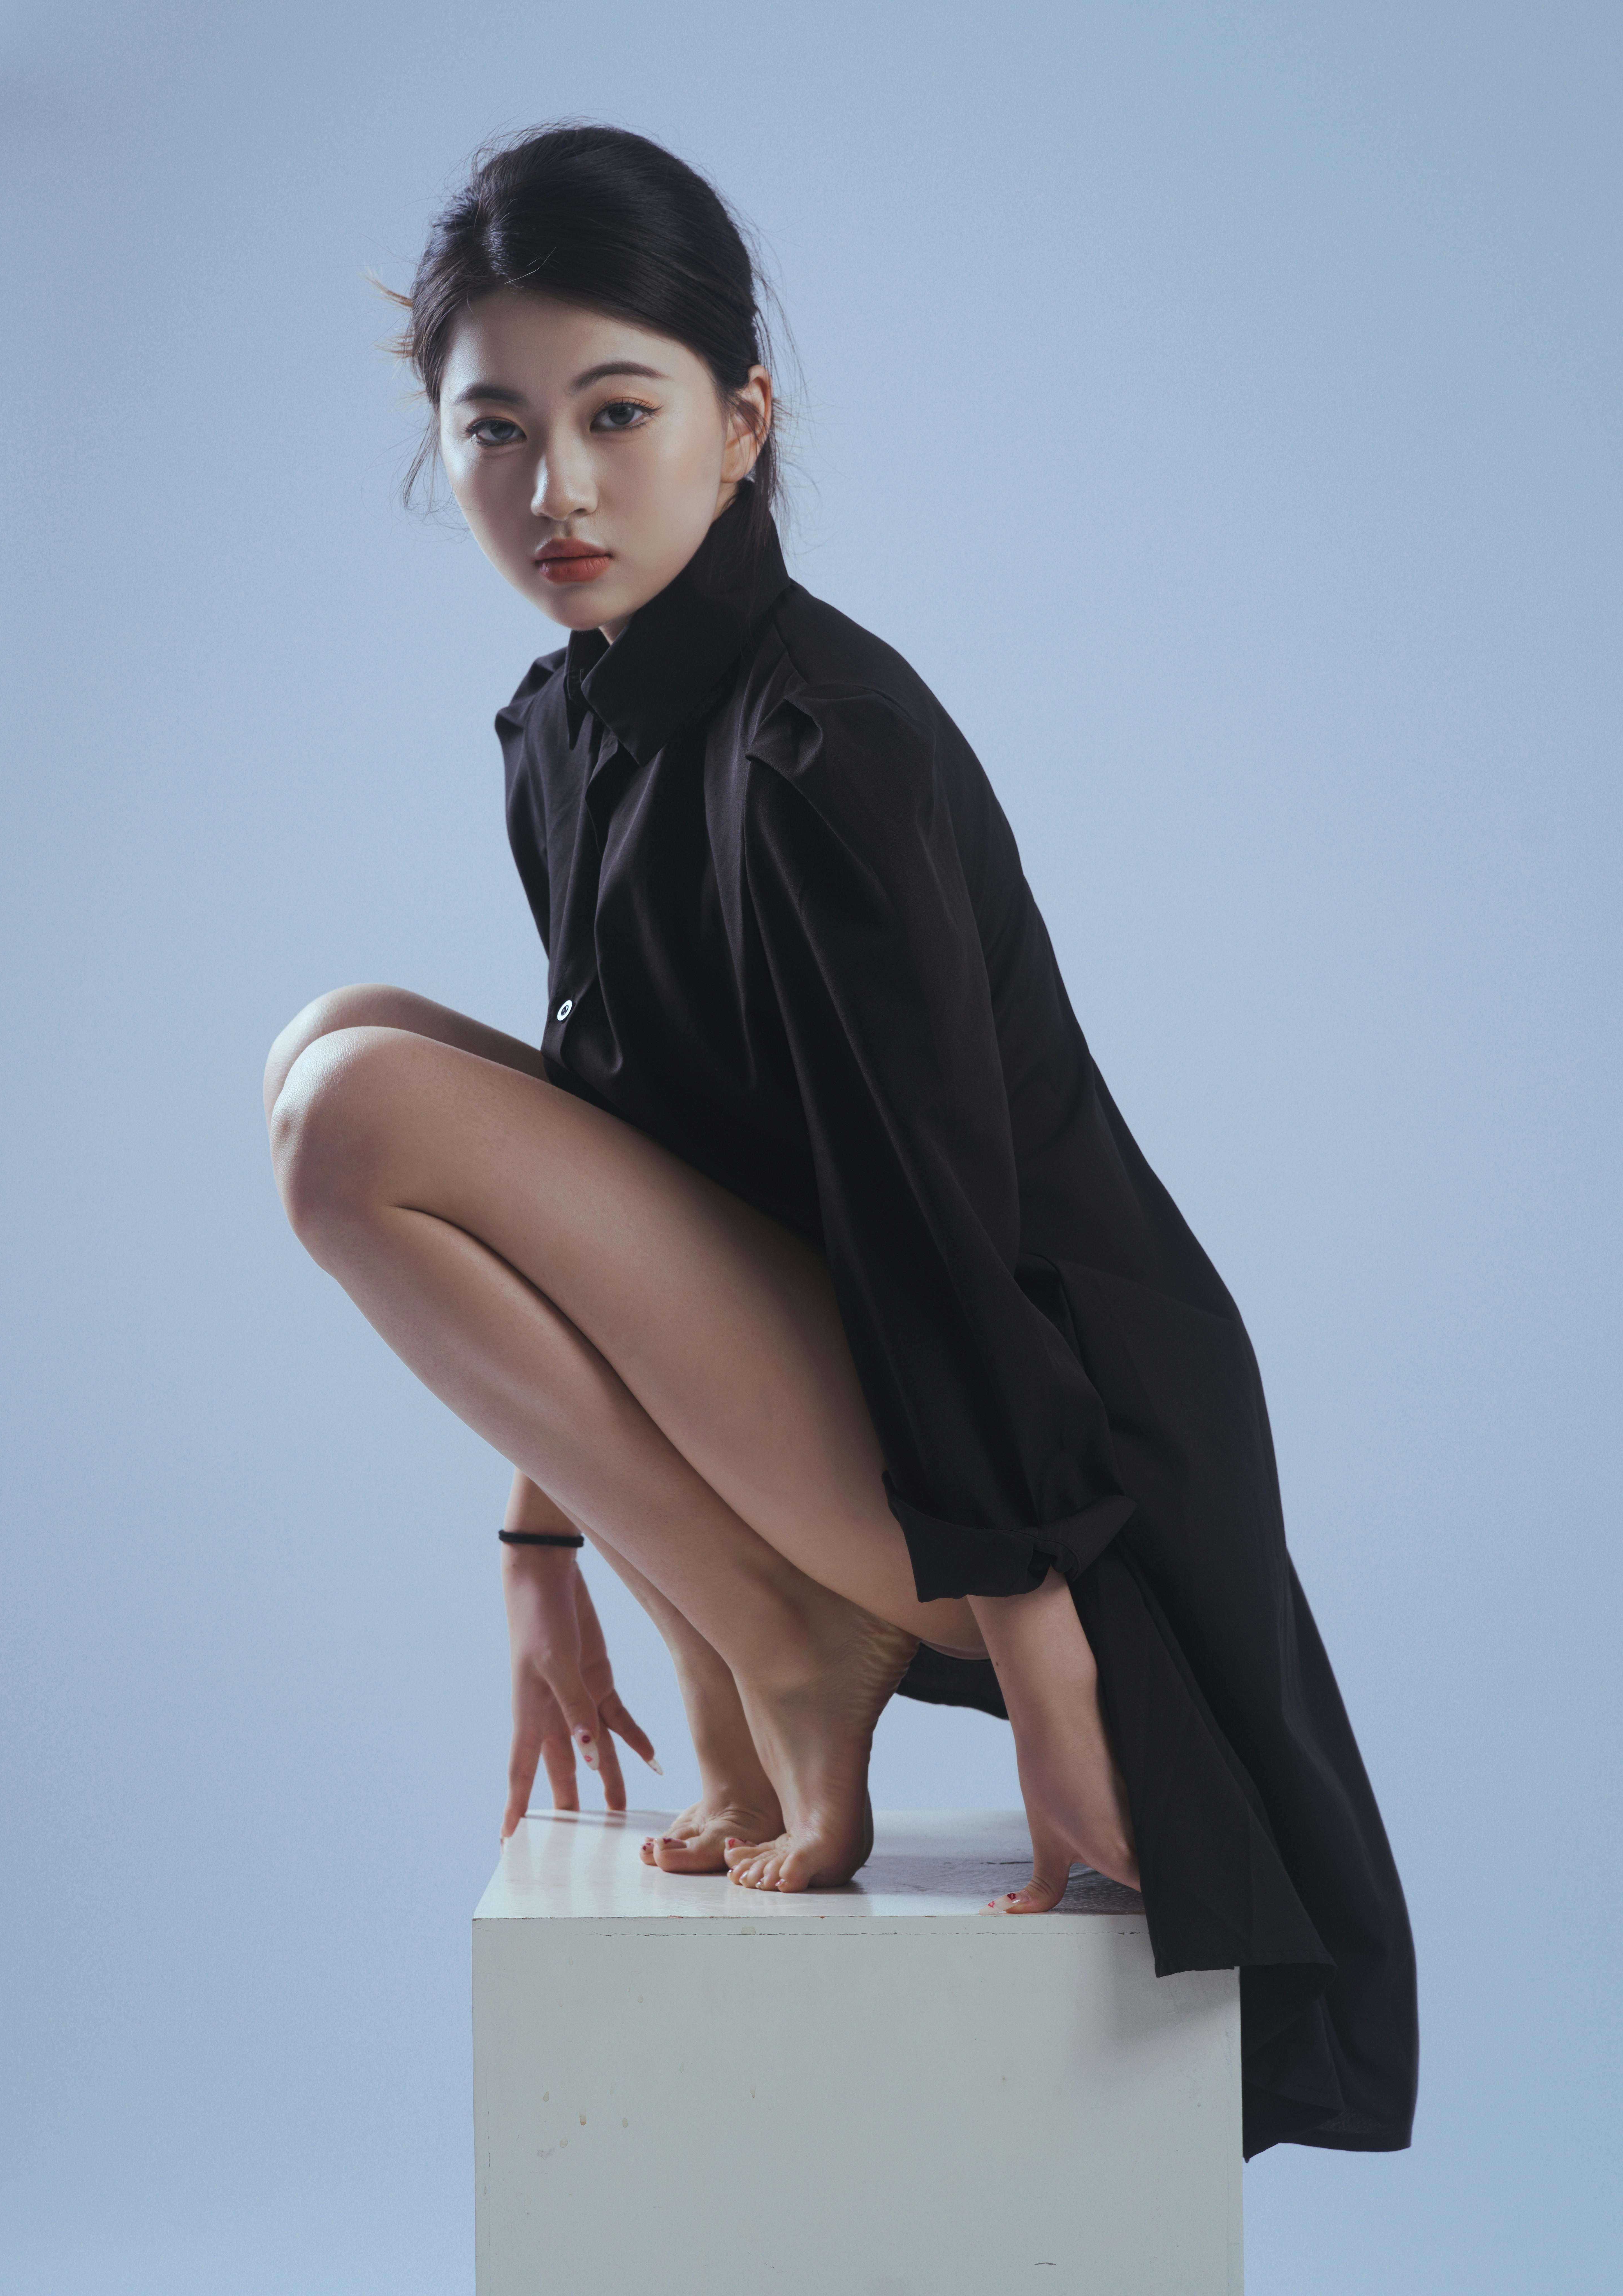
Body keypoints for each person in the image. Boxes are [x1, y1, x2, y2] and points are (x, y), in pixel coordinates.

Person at [263, 123, 1417, 2159]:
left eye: (621, 413)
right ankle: (740, 1604)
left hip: (1045, 1477)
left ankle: (791, 1631)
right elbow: (602, 1134)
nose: (560, 488)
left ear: (743, 421)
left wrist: (1053, 1661)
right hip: (867, 1406)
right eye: (496, 430)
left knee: (356, 1117)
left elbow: (934, 1229)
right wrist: (546, 1546)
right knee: (334, 1043)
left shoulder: (820, 753)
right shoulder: (578, 723)